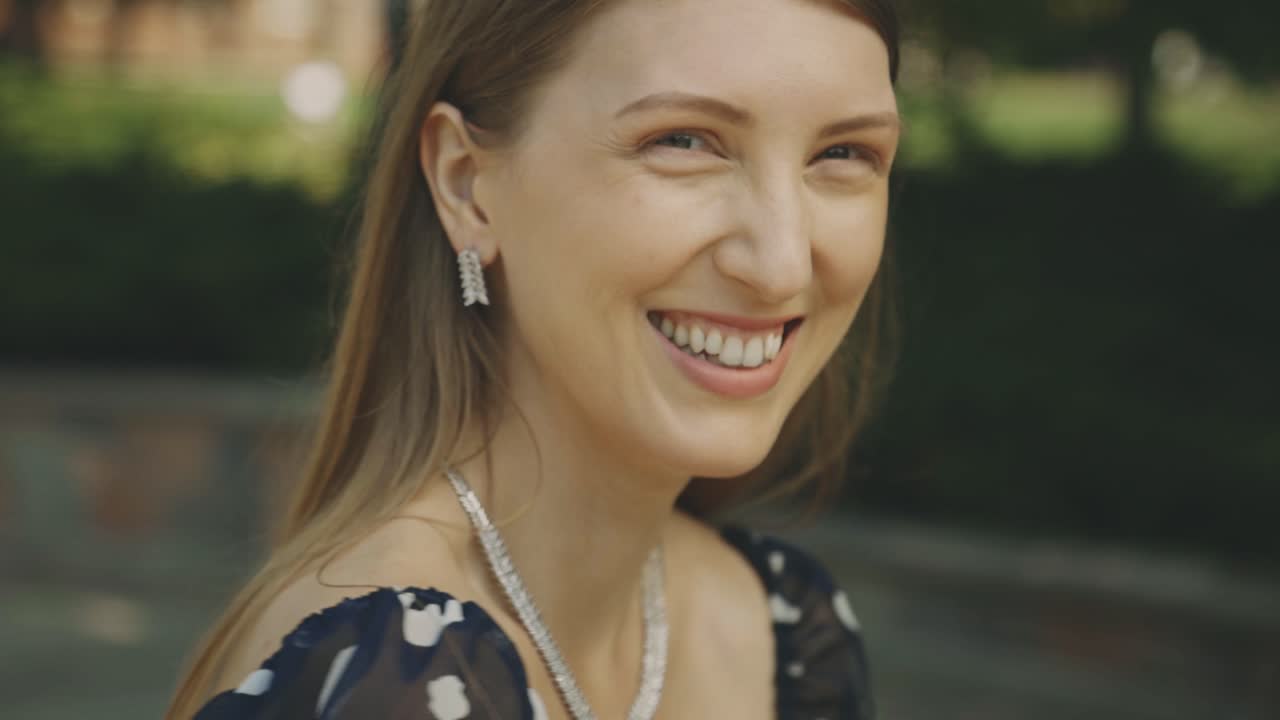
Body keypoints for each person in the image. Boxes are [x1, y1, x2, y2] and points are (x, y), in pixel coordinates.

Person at [168, 0, 901, 717]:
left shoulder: (788, 640)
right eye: (683, 141)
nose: (781, 265)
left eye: (844, 154)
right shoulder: (391, 679)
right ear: (466, 182)